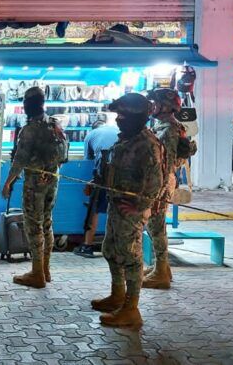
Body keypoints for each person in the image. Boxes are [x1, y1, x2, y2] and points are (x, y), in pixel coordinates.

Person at [90, 93, 164, 328]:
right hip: (116, 203)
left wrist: (139, 206)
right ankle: (117, 295)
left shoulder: (147, 144)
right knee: (111, 249)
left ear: (136, 117)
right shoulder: (126, 139)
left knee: (131, 256)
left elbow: (156, 181)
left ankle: (131, 309)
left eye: (123, 115)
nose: (119, 119)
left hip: (131, 210)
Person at [1, 87, 69, 289]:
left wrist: (8, 182)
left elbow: (19, 160)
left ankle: (37, 273)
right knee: (47, 223)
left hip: (34, 185)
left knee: (34, 225)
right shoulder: (54, 124)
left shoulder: (30, 130)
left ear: (28, 105)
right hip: (52, 181)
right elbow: (63, 155)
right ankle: (45, 270)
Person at [143, 88, 191, 290]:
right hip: (163, 181)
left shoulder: (169, 130)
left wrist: (158, 191)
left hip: (161, 182)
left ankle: (161, 272)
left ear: (165, 106)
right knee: (154, 226)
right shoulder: (166, 126)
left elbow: (166, 162)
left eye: (155, 103)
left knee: (156, 225)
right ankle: (160, 267)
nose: (152, 107)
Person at [75, 113, 119, 258]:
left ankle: (87, 246)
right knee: (119, 207)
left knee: (94, 208)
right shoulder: (116, 129)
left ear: (93, 127)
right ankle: (117, 245)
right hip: (123, 171)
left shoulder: (91, 135)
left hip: (104, 172)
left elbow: (88, 160)